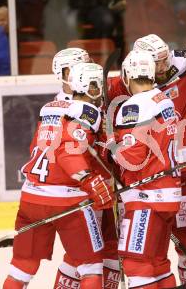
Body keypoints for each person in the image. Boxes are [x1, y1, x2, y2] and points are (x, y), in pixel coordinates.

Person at [106, 0, 186, 288]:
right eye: (157, 63)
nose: (164, 68)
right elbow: (104, 117)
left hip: (182, 166)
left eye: (164, 60)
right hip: (145, 174)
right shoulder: (121, 84)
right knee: (151, 247)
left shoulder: (182, 65)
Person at [3, 62, 114, 288]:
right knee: (90, 267)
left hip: (31, 197)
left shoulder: (51, 107)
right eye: (95, 85)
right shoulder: (87, 111)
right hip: (67, 200)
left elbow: (36, 148)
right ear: (86, 85)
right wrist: (88, 178)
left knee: (21, 267)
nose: (99, 89)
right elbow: (68, 152)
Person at [51, 49, 121, 289]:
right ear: (66, 74)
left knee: (111, 247)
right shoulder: (67, 108)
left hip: (103, 186)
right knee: (83, 255)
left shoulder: (90, 98)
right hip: (84, 189)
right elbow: (67, 154)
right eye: (77, 67)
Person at [113, 50, 180, 288]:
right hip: (168, 193)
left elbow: (132, 157)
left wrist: (111, 145)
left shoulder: (133, 107)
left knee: (137, 264)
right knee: (157, 263)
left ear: (128, 75)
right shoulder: (164, 100)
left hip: (146, 197)